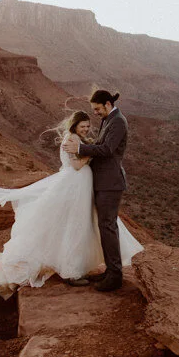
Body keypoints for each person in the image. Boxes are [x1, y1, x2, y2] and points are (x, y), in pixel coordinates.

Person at [0, 107, 143, 293]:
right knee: (73, 226)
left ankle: (78, 267)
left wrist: (87, 148)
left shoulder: (78, 139)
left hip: (81, 186)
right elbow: (77, 164)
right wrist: (91, 152)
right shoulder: (71, 139)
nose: (86, 129)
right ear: (75, 125)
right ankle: (70, 272)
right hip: (74, 186)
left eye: (88, 126)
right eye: (82, 126)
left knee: (80, 226)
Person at [61, 88, 129, 292]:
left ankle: (115, 276)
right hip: (103, 182)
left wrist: (80, 149)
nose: (96, 113)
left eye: (97, 109)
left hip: (110, 183)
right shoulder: (109, 119)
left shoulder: (118, 121)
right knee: (104, 227)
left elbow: (107, 149)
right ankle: (110, 270)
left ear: (108, 104)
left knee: (108, 227)